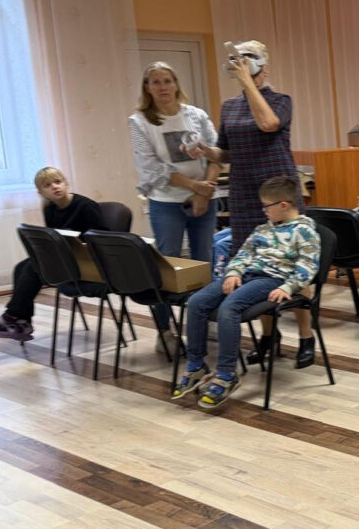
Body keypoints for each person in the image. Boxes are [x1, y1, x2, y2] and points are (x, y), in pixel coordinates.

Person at [185, 40, 317, 368]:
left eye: (249, 59)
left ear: (263, 67)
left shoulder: (280, 101)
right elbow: (226, 152)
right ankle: (269, 335)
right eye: (238, 59)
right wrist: (205, 151)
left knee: (290, 260)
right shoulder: (230, 107)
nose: (242, 63)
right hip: (244, 192)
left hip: (278, 188)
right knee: (256, 264)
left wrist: (249, 84)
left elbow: (268, 124)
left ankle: (306, 335)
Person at [174, 175, 320, 410]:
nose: (264, 210)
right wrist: (233, 273)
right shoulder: (262, 229)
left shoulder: (305, 231)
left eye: (267, 206)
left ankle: (226, 374)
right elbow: (243, 254)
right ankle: (196, 365)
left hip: (271, 280)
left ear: (283, 205)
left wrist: (287, 286)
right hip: (246, 275)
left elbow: (308, 267)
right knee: (197, 302)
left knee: (229, 308)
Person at [129, 61, 221, 348]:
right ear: (147, 88)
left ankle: (204, 320)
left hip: (204, 199)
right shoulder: (140, 122)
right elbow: (152, 169)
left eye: (167, 81)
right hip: (166, 203)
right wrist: (195, 187)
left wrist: (204, 192)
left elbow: (216, 155)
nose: (163, 87)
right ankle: (165, 330)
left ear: (176, 84)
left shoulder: (196, 116)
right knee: (167, 264)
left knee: (204, 261)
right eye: (155, 82)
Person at [0, 168, 108, 343]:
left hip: (89, 264)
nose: (54, 187)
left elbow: (103, 239)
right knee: (21, 267)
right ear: (41, 193)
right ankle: (22, 321)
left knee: (34, 267)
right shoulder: (50, 209)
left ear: (66, 183)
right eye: (47, 186)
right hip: (66, 259)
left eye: (58, 182)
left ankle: (12, 317)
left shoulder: (86, 206)